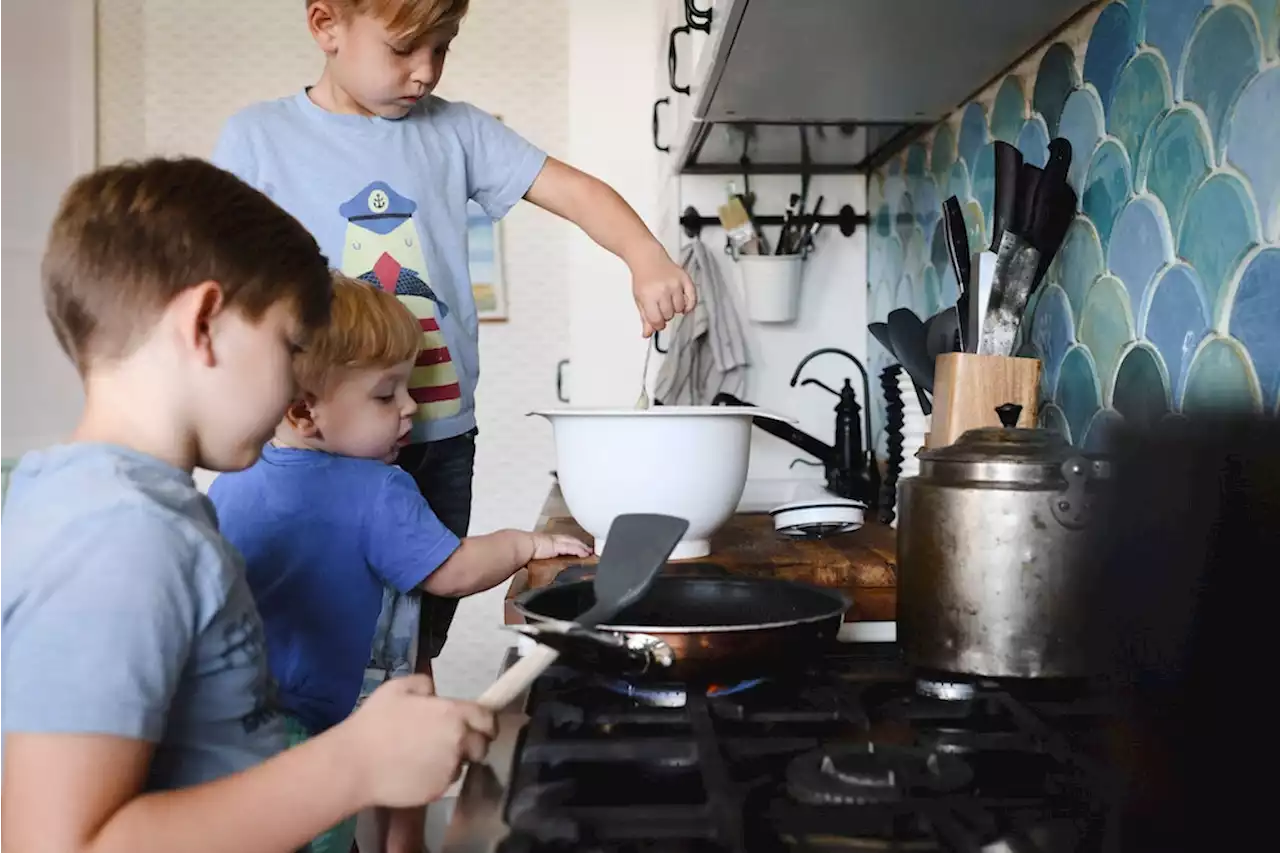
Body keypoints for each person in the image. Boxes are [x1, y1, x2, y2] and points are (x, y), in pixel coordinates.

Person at [0, 158, 496, 853]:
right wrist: (354, 763)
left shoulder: (117, 503)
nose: (298, 382)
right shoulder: (119, 536)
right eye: (291, 345)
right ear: (203, 323)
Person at [210, 0, 695, 704]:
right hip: (308, 448)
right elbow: (217, 280)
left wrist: (643, 254)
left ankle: (398, 804)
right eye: (406, 49)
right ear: (327, 27)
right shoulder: (259, 137)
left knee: (407, 650)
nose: (427, 71)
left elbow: (574, 190)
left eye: (443, 48)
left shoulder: (457, 132)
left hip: (433, 435)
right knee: (309, 645)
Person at [208, 274, 589, 853]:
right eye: (386, 395)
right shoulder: (379, 487)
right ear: (303, 411)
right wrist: (522, 544)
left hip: (233, 723)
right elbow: (452, 571)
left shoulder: (231, 480)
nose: (410, 408)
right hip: (324, 724)